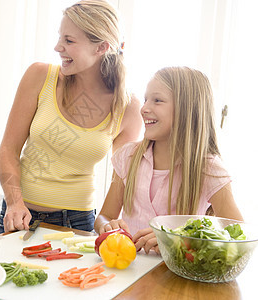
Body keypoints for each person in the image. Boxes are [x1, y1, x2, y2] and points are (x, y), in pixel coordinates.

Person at [0, 0, 143, 234]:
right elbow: (8, 149)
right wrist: (14, 202)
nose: (57, 47)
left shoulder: (128, 106)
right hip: (19, 215)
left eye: (69, 40)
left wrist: (107, 222)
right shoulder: (39, 76)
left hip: (76, 223)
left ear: (101, 47)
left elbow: (123, 179)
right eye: (60, 37)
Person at [94, 66, 243, 254]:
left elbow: (239, 236)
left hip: (178, 275)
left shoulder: (208, 168)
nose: (144, 108)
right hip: (129, 268)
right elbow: (104, 216)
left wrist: (179, 239)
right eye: (146, 99)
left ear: (187, 109)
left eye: (157, 100)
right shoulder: (128, 156)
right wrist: (107, 225)